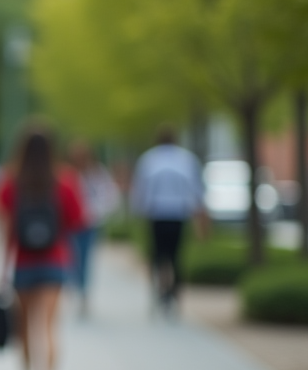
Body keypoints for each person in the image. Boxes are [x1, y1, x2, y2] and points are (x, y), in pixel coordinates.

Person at [0, 125, 84, 370]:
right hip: (54, 261)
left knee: (24, 328)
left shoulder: (10, 180)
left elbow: (4, 228)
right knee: (47, 326)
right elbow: (76, 220)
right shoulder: (65, 180)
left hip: (23, 263)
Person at [130, 125, 206, 316]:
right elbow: (196, 189)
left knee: (157, 256)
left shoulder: (149, 159)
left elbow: (140, 189)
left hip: (156, 213)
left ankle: (158, 291)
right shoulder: (186, 159)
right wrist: (200, 215)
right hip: (178, 213)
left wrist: (137, 212)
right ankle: (174, 294)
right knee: (176, 256)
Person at [66, 139, 121, 317]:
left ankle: (83, 292)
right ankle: (75, 287)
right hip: (70, 224)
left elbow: (109, 198)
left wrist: (94, 213)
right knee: (71, 258)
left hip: (89, 223)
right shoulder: (69, 174)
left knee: (85, 258)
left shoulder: (97, 174)